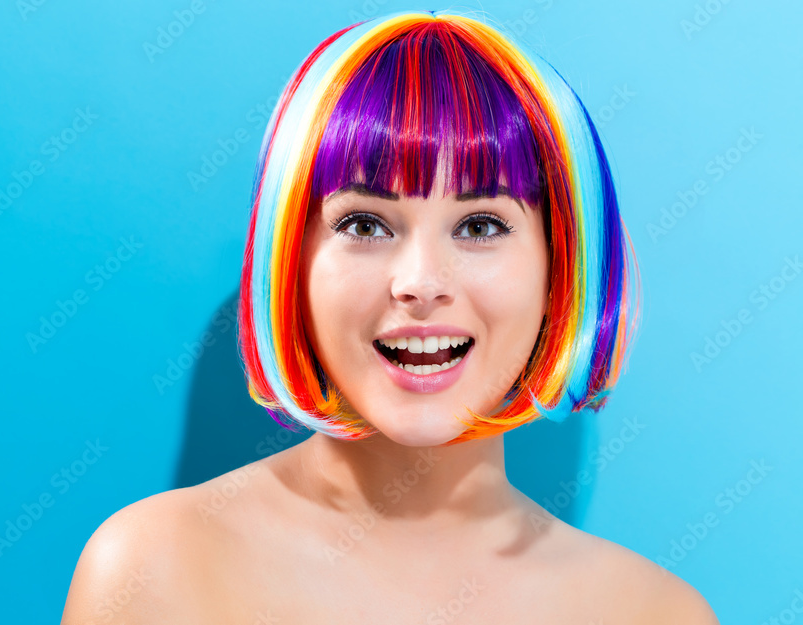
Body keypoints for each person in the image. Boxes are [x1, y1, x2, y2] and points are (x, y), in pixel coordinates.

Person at [61, 10, 719, 623]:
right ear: (290, 259)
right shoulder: (149, 570)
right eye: (365, 223)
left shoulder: (655, 612)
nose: (421, 283)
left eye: (482, 223)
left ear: (561, 267)